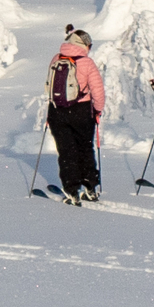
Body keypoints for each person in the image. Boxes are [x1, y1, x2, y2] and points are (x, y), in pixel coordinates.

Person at [45, 25, 105, 202]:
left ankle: (71, 189)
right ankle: (90, 186)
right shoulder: (87, 63)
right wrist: (98, 110)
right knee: (85, 148)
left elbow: (50, 86)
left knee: (66, 151)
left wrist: (51, 112)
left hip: (58, 111)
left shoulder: (56, 58)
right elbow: (98, 92)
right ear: (84, 45)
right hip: (82, 111)